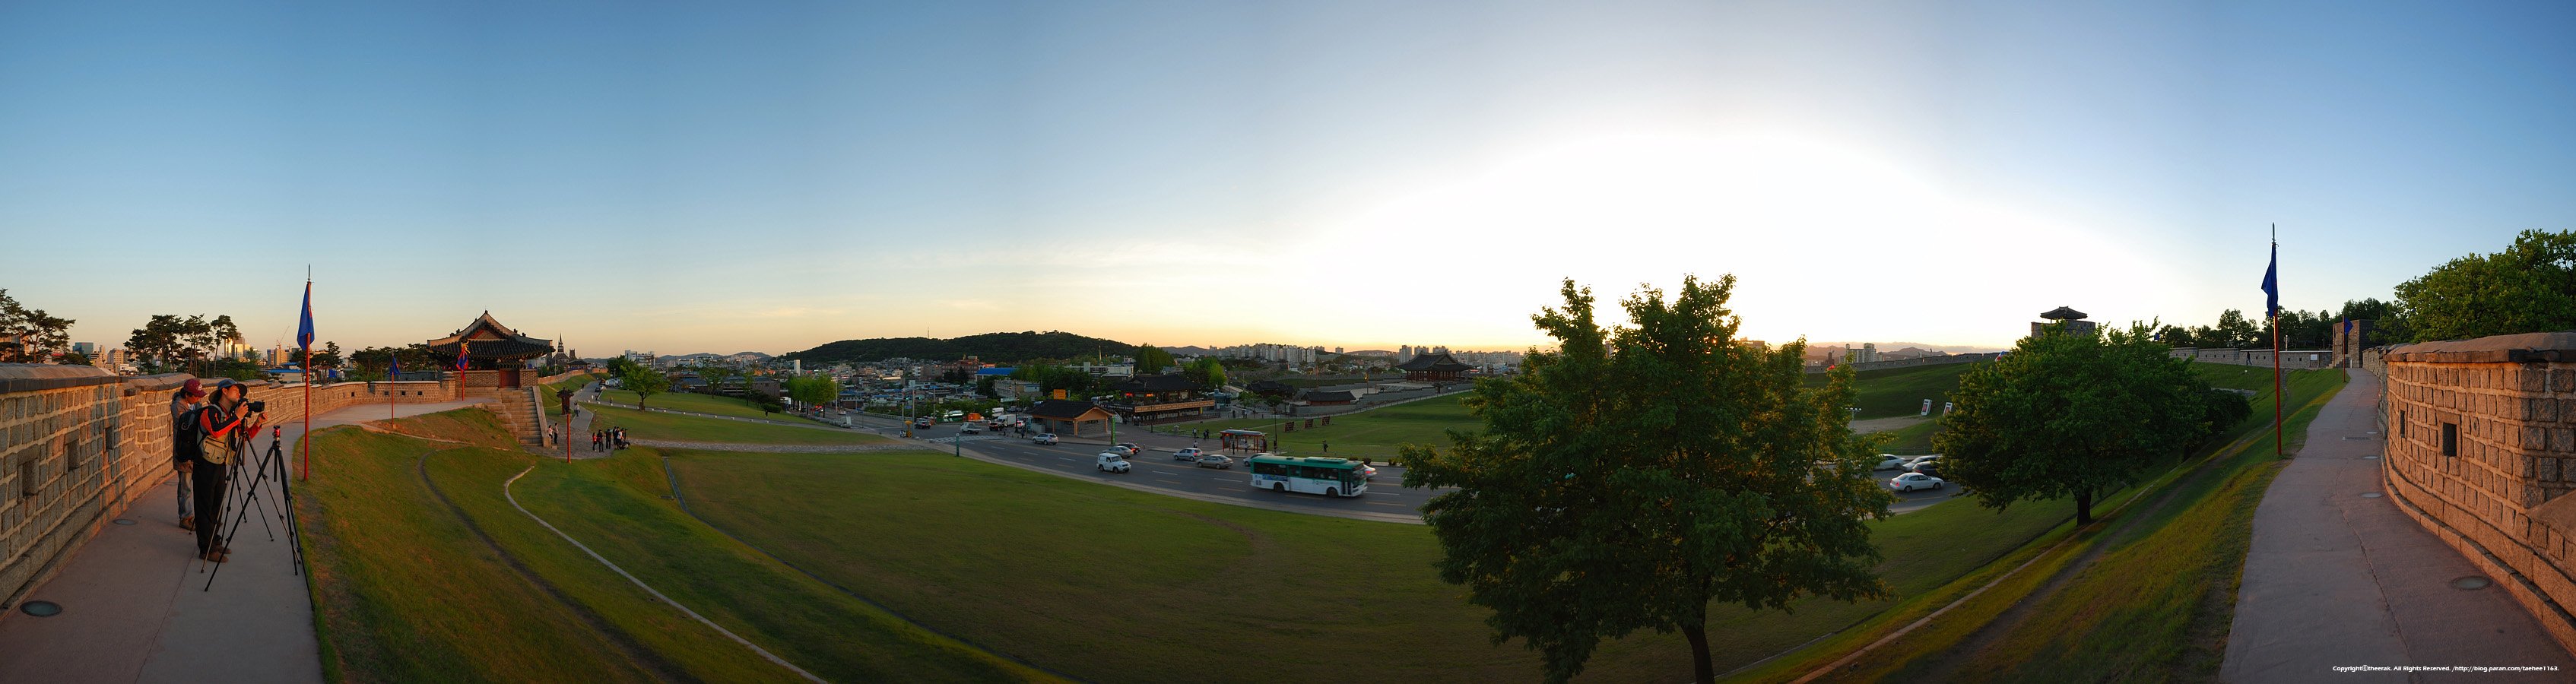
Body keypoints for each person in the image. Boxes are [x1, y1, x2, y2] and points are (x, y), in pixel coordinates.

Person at [186, 379, 265, 563]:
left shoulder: (229, 415)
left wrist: (257, 424)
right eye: (236, 390)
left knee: (218, 506)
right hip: (205, 464)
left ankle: (215, 542)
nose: (239, 394)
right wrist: (236, 417)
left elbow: (243, 436)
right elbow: (215, 431)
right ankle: (206, 549)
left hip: (220, 463)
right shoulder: (210, 411)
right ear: (224, 391)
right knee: (205, 507)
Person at [170, 378, 207, 531]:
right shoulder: (177, 406)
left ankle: (197, 515)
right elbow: (189, 425)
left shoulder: (195, 404)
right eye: (196, 396)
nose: (198, 399)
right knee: (185, 487)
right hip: (184, 452)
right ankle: (185, 517)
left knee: (199, 485)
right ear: (187, 395)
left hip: (196, 451)